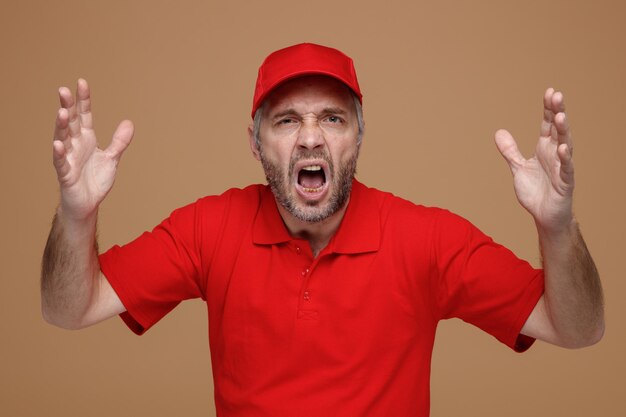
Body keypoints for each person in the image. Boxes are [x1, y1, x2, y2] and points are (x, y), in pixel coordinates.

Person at [41, 43, 604, 416]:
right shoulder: (208, 227)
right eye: (287, 120)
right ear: (256, 142)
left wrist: (557, 226)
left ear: (358, 137)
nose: (310, 137)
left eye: (332, 118)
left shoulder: (428, 239)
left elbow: (578, 329)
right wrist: (76, 214)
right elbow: (69, 309)